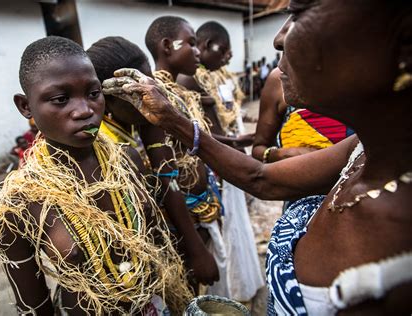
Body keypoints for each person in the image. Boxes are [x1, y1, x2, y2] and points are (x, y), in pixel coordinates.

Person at [102, 1, 412, 314]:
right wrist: (173, 120)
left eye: (300, 11)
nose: (279, 38)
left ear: (404, 45)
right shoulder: (358, 151)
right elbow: (260, 178)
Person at [0, 36, 192, 315]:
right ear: (25, 106)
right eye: (61, 99)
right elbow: (34, 307)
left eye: (93, 93)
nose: (85, 110)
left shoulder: (128, 160)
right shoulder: (18, 203)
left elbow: (158, 245)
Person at [86, 36, 219, 287]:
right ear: (108, 100)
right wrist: (195, 250)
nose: (152, 94)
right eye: (136, 92)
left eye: (151, 82)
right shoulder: (109, 148)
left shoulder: (140, 121)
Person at [177, 21, 263, 301]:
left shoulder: (214, 76)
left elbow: (224, 117)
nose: (227, 57)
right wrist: (234, 144)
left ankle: (239, 286)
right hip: (212, 161)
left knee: (234, 224)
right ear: (203, 46)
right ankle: (226, 293)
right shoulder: (188, 80)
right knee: (222, 229)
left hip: (225, 150)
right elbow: (200, 132)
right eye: (222, 50)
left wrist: (238, 138)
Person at [144, 16, 225, 294]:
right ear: (167, 46)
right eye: (190, 43)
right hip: (183, 219)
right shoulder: (156, 98)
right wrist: (194, 245)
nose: (198, 51)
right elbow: (165, 172)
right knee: (189, 290)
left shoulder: (180, 93)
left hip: (202, 207)